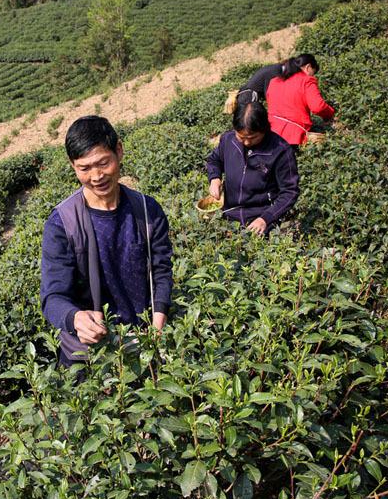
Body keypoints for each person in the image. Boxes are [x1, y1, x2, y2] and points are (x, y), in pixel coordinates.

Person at [40, 116, 173, 366]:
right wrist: (75, 318)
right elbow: (53, 296)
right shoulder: (62, 223)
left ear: (119, 151)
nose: (97, 176)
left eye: (103, 163)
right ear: (73, 166)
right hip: (89, 352)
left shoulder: (147, 210)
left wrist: (157, 323)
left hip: (142, 340)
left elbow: (161, 271)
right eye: (85, 168)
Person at [206, 101, 299, 235]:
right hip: (228, 214)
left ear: (264, 129)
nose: (247, 142)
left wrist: (266, 218)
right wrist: (214, 178)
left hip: (260, 218)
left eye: (253, 137)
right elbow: (214, 160)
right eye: (241, 137)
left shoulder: (280, 150)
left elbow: (290, 191)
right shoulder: (228, 140)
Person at [265, 53, 334, 150]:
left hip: (270, 134)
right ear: (308, 67)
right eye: (313, 72)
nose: (312, 76)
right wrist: (330, 114)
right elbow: (318, 107)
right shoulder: (306, 80)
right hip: (294, 137)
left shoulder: (274, 81)